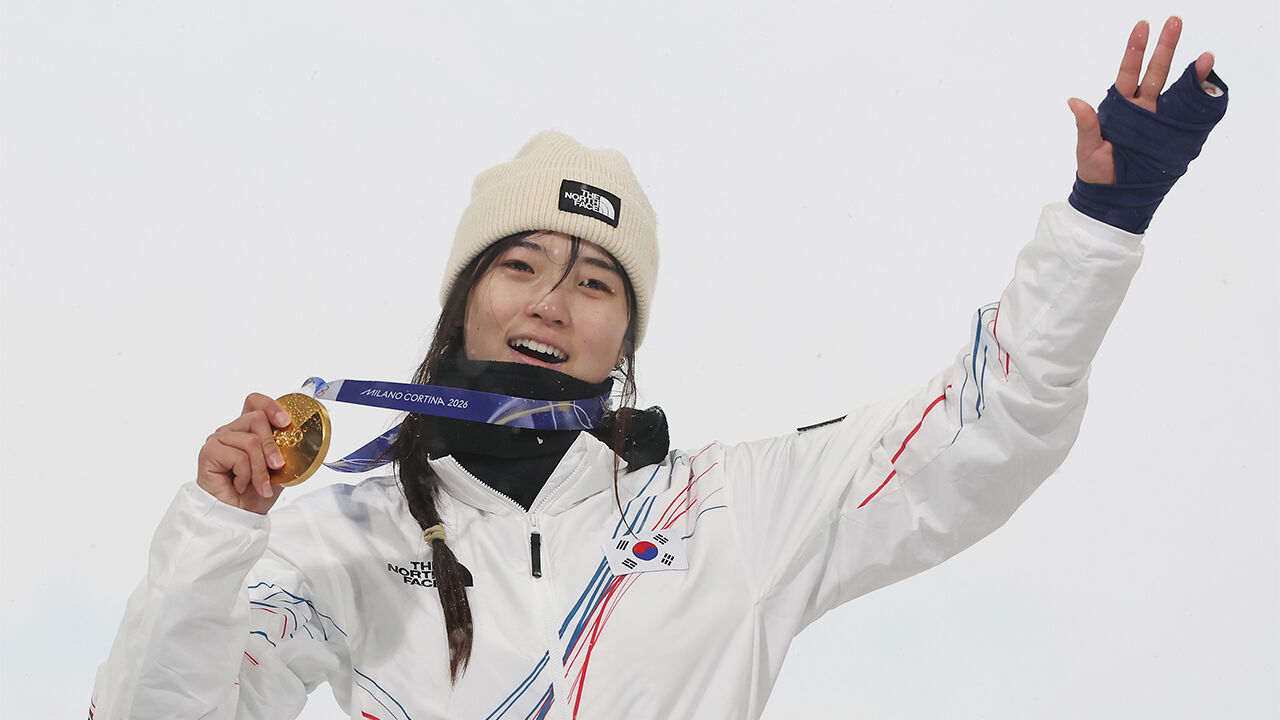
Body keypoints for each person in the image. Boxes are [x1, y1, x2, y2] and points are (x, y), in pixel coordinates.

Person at [90, 17, 1227, 720]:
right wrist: (210, 539)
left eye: (595, 282)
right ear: (461, 300)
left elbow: (984, 428)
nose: (550, 300)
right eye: (521, 263)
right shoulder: (339, 539)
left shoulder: (734, 513)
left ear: (623, 339)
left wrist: (1098, 219)